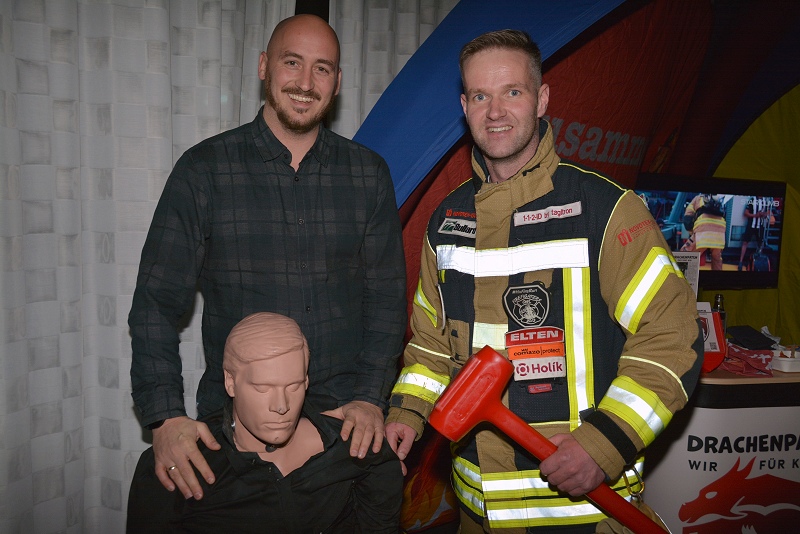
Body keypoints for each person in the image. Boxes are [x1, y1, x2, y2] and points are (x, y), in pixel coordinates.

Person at [384, 30, 703, 532]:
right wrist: (407, 412)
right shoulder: (446, 221)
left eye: (512, 91)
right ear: (464, 107)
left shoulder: (606, 210)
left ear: (542, 99)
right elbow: (430, 345)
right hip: (476, 515)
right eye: (480, 96)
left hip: (583, 514)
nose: (495, 111)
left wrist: (604, 442)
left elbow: (672, 336)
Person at [128, 14, 406, 501]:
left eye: (322, 69)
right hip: (234, 433)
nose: (305, 82)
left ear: (338, 81)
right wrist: (165, 417)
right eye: (291, 63)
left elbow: (386, 299)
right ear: (263, 66)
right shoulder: (204, 170)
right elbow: (155, 302)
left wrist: (370, 397)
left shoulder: (368, 175)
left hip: (342, 429)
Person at [127, 312, 403, 533]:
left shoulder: (351, 447)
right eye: (262, 388)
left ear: (307, 381)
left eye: (294, 386)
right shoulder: (181, 464)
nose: (281, 406)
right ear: (230, 382)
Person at [682, 193, 727, 270]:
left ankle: (681, 277)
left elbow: (687, 220)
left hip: (703, 231)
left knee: (685, 256)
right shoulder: (720, 200)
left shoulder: (697, 198)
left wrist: (692, 233)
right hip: (720, 235)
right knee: (717, 258)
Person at [738, 196, 774, 271]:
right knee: (745, 242)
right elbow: (745, 213)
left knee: (760, 244)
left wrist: (764, 214)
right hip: (751, 225)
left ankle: (758, 263)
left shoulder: (765, 201)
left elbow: (769, 212)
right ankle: (740, 262)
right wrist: (755, 215)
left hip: (761, 226)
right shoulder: (752, 200)